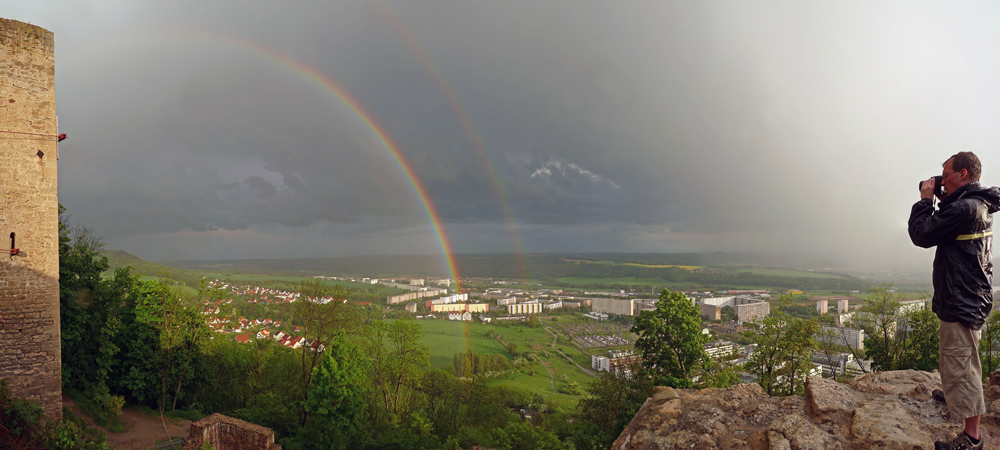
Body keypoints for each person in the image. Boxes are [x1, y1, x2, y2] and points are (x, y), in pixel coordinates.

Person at [909, 151, 1000, 450]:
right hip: (968, 295)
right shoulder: (976, 203)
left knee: (962, 364)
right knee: (959, 359)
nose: (941, 180)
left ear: (963, 175)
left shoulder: (965, 208)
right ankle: (954, 398)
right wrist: (943, 195)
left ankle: (971, 438)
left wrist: (925, 199)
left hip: (962, 298)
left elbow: (922, 233)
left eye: (945, 174)